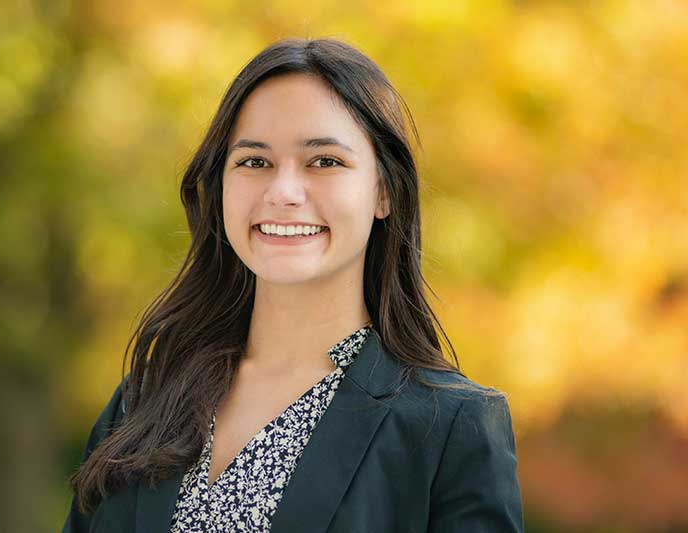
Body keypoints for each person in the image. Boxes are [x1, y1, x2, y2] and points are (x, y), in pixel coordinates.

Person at [62, 37, 523, 533]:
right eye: (254, 162)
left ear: (383, 192)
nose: (282, 192)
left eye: (324, 161)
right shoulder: (145, 399)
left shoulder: (450, 427)